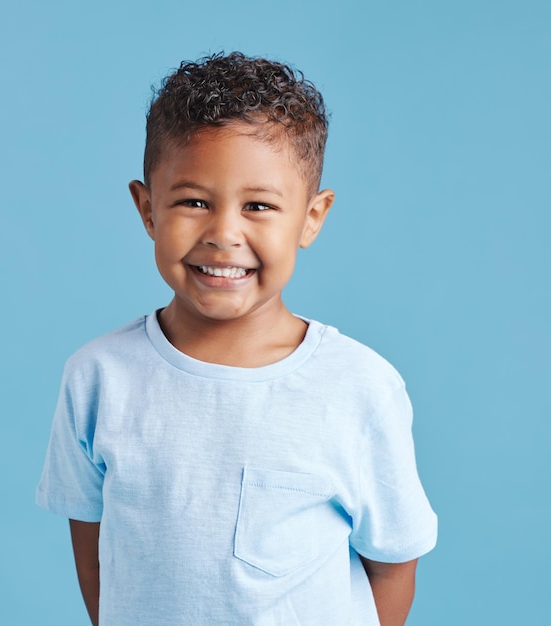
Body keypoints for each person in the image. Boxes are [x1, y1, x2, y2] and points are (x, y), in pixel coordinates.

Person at [36, 51, 437, 626]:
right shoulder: (97, 377)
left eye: (259, 206)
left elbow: (394, 567)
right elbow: (95, 554)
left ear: (311, 218)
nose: (224, 233)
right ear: (148, 209)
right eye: (193, 202)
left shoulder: (359, 387)